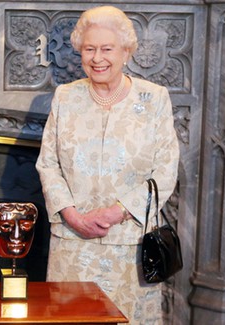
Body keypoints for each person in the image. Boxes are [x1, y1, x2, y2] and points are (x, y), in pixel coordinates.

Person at [35, 5, 179, 325]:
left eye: (106, 49)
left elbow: (166, 170)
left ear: (126, 51)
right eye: (89, 49)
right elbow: (48, 164)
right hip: (72, 244)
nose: (97, 58)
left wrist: (117, 212)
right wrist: (72, 215)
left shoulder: (154, 99)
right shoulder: (65, 97)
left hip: (130, 246)